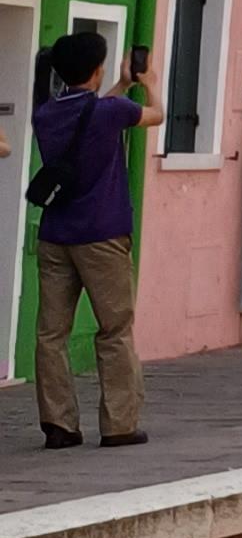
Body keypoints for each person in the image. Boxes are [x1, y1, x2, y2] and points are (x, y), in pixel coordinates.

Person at [30, 25, 155, 449]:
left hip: (55, 235)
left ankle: (59, 424)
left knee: (51, 333)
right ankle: (119, 424)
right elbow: (153, 115)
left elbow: (91, 114)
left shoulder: (46, 113)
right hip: (103, 235)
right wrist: (148, 84)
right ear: (97, 70)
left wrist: (121, 84)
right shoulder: (110, 113)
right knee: (114, 329)